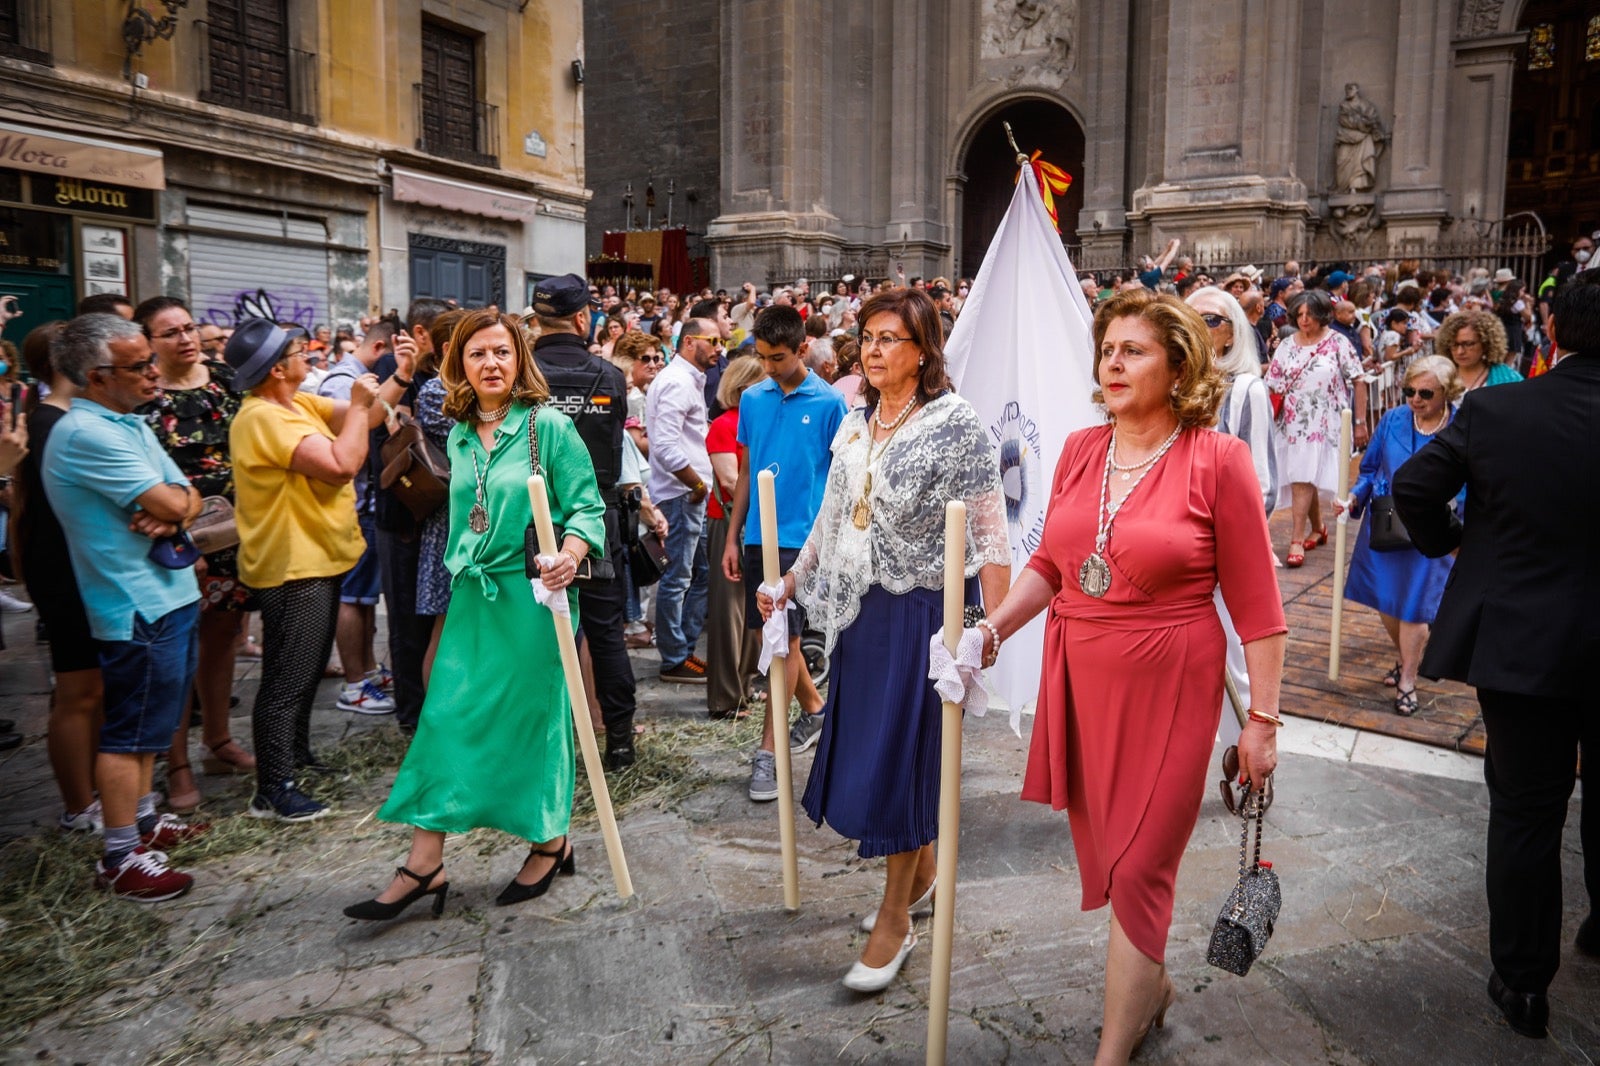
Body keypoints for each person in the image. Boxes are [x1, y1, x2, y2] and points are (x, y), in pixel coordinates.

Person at [979, 288, 1286, 1061]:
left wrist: (1263, 723)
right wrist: (989, 631)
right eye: (1107, 349)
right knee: (1111, 862)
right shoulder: (1084, 448)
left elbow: (1259, 610)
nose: (1113, 363)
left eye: (1134, 351)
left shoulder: (1220, 459)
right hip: (1082, 682)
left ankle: (1111, 1054)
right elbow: (1051, 562)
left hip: (1172, 685)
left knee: (1144, 865)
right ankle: (1150, 988)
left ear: (1179, 365)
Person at [759, 287, 1011, 991]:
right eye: (866, 336)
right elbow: (832, 521)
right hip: (863, 615)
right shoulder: (854, 421)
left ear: (924, 349)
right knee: (878, 751)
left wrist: (993, 626)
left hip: (926, 613)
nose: (872, 349)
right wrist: (790, 583)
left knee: (904, 757)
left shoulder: (956, 424)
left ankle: (893, 916)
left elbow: (990, 532)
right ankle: (922, 870)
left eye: (889, 338)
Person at [346, 310, 606, 919]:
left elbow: (588, 509)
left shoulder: (548, 427)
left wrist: (568, 555)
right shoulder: (460, 432)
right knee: (445, 716)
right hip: (473, 598)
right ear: (458, 366)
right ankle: (424, 862)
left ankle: (549, 839)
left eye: (501, 353)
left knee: (532, 724)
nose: (491, 364)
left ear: (520, 360)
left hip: (533, 601)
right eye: (477, 355)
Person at [1393, 279, 1600, 1041]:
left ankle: (1523, 983)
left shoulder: (1499, 408)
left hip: (1523, 641)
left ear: (1551, 328)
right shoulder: (1495, 404)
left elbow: (1415, 486)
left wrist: (1455, 541)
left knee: (1524, 810)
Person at [44, 313, 209, 900]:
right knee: (131, 732)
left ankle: (143, 820)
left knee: (153, 723)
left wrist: (178, 507)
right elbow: (171, 497)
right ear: (96, 376)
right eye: (138, 365)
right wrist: (174, 505)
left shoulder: (126, 422)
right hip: (133, 602)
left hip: (164, 596)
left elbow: (185, 494)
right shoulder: (89, 433)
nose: (154, 372)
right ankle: (120, 854)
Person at [227, 318, 407, 821]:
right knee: (287, 676)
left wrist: (401, 374)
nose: (308, 353)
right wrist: (356, 400)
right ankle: (273, 788)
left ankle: (296, 758)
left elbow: (365, 419)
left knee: (303, 671)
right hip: (291, 564)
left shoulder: (294, 402)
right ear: (277, 368)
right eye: (297, 350)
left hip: (317, 556)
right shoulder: (262, 417)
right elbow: (342, 463)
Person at [133, 296, 256, 812]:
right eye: (170, 332)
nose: (185, 338)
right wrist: (174, 532)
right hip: (174, 538)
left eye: (189, 328)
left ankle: (218, 741)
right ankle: (176, 760)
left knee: (224, 635)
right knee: (178, 650)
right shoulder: (144, 395)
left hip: (233, 531)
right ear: (148, 343)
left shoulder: (225, 379)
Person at [722, 306, 846, 801]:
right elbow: (747, 473)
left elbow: (839, 478)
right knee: (771, 641)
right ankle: (816, 710)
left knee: (783, 645)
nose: (769, 366)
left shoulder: (832, 402)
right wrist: (733, 537)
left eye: (777, 357)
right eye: (762, 357)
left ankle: (767, 754)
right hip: (757, 537)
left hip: (802, 540)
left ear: (802, 349)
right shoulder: (752, 399)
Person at [529, 274, 639, 771]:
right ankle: (618, 742)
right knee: (606, 632)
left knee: (539, 635)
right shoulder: (611, 377)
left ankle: (544, 742)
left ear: (537, 321)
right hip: (598, 518)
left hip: (538, 518)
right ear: (582, 318)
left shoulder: (522, 375)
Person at [14, 322, 104, 829]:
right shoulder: (51, 421)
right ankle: (78, 805)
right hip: (64, 567)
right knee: (78, 691)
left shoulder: (65, 415)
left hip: (82, 564)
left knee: (94, 688)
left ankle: (94, 790)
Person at [1336, 356, 1462, 716]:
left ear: (1447, 393)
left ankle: (1408, 677)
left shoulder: (1460, 427)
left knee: (1416, 606)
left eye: (1426, 392)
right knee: (1388, 600)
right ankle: (1408, 656)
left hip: (1435, 526)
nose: (1415, 399)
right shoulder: (1392, 419)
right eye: (1409, 390)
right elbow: (1370, 466)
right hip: (1387, 520)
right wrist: (1355, 497)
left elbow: (1472, 481)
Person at [1188, 286, 1277, 758]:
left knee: (1235, 659)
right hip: (1182, 552)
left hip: (1225, 551)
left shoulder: (1245, 390)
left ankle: (1243, 757)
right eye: (1193, 318)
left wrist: (1227, 548)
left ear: (1232, 334)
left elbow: (1261, 483)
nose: (1203, 327)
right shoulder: (1174, 386)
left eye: (1214, 320)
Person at [317, 321, 404, 715]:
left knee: (365, 596)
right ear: (382, 346)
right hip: (352, 505)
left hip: (363, 504)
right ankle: (354, 685)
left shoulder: (358, 378)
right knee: (352, 596)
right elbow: (349, 440)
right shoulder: (343, 383)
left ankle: (367, 669)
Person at [376, 298, 453, 733]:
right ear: (425, 335)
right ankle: (412, 717)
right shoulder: (397, 370)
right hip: (404, 514)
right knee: (409, 622)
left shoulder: (438, 375)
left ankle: (430, 712)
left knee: (433, 620)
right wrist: (402, 378)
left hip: (433, 517)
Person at [1263, 288, 1368, 567]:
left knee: (1303, 477)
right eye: (1299, 314)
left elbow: (1359, 379)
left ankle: (1296, 538)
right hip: (1291, 422)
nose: (1304, 320)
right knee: (1302, 476)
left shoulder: (1338, 342)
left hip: (1324, 422)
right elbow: (1272, 381)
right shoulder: (1286, 344)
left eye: (1309, 314)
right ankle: (1318, 527)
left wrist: (1359, 422)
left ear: (1323, 315)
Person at [646, 317, 718, 684]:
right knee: (678, 578)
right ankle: (674, 657)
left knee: (700, 575)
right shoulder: (676, 382)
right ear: (690, 342)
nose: (720, 347)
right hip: (681, 495)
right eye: (714, 339)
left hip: (688, 495)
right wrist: (697, 485)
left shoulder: (685, 380)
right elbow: (666, 447)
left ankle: (684, 650)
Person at [705, 355, 766, 719]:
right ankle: (725, 697)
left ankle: (742, 687)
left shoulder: (750, 422)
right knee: (729, 613)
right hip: (728, 524)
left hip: (752, 523)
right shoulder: (725, 425)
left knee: (747, 613)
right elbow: (730, 480)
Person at [414, 308, 469, 686]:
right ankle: (435, 720)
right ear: (450, 349)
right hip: (452, 522)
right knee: (447, 626)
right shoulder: (436, 392)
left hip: (475, 518)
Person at [1438, 307, 1522, 391]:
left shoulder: (1509, 379)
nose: (1460, 351)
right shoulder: (1438, 377)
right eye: (1454, 344)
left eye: (1468, 344)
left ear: (1486, 343)